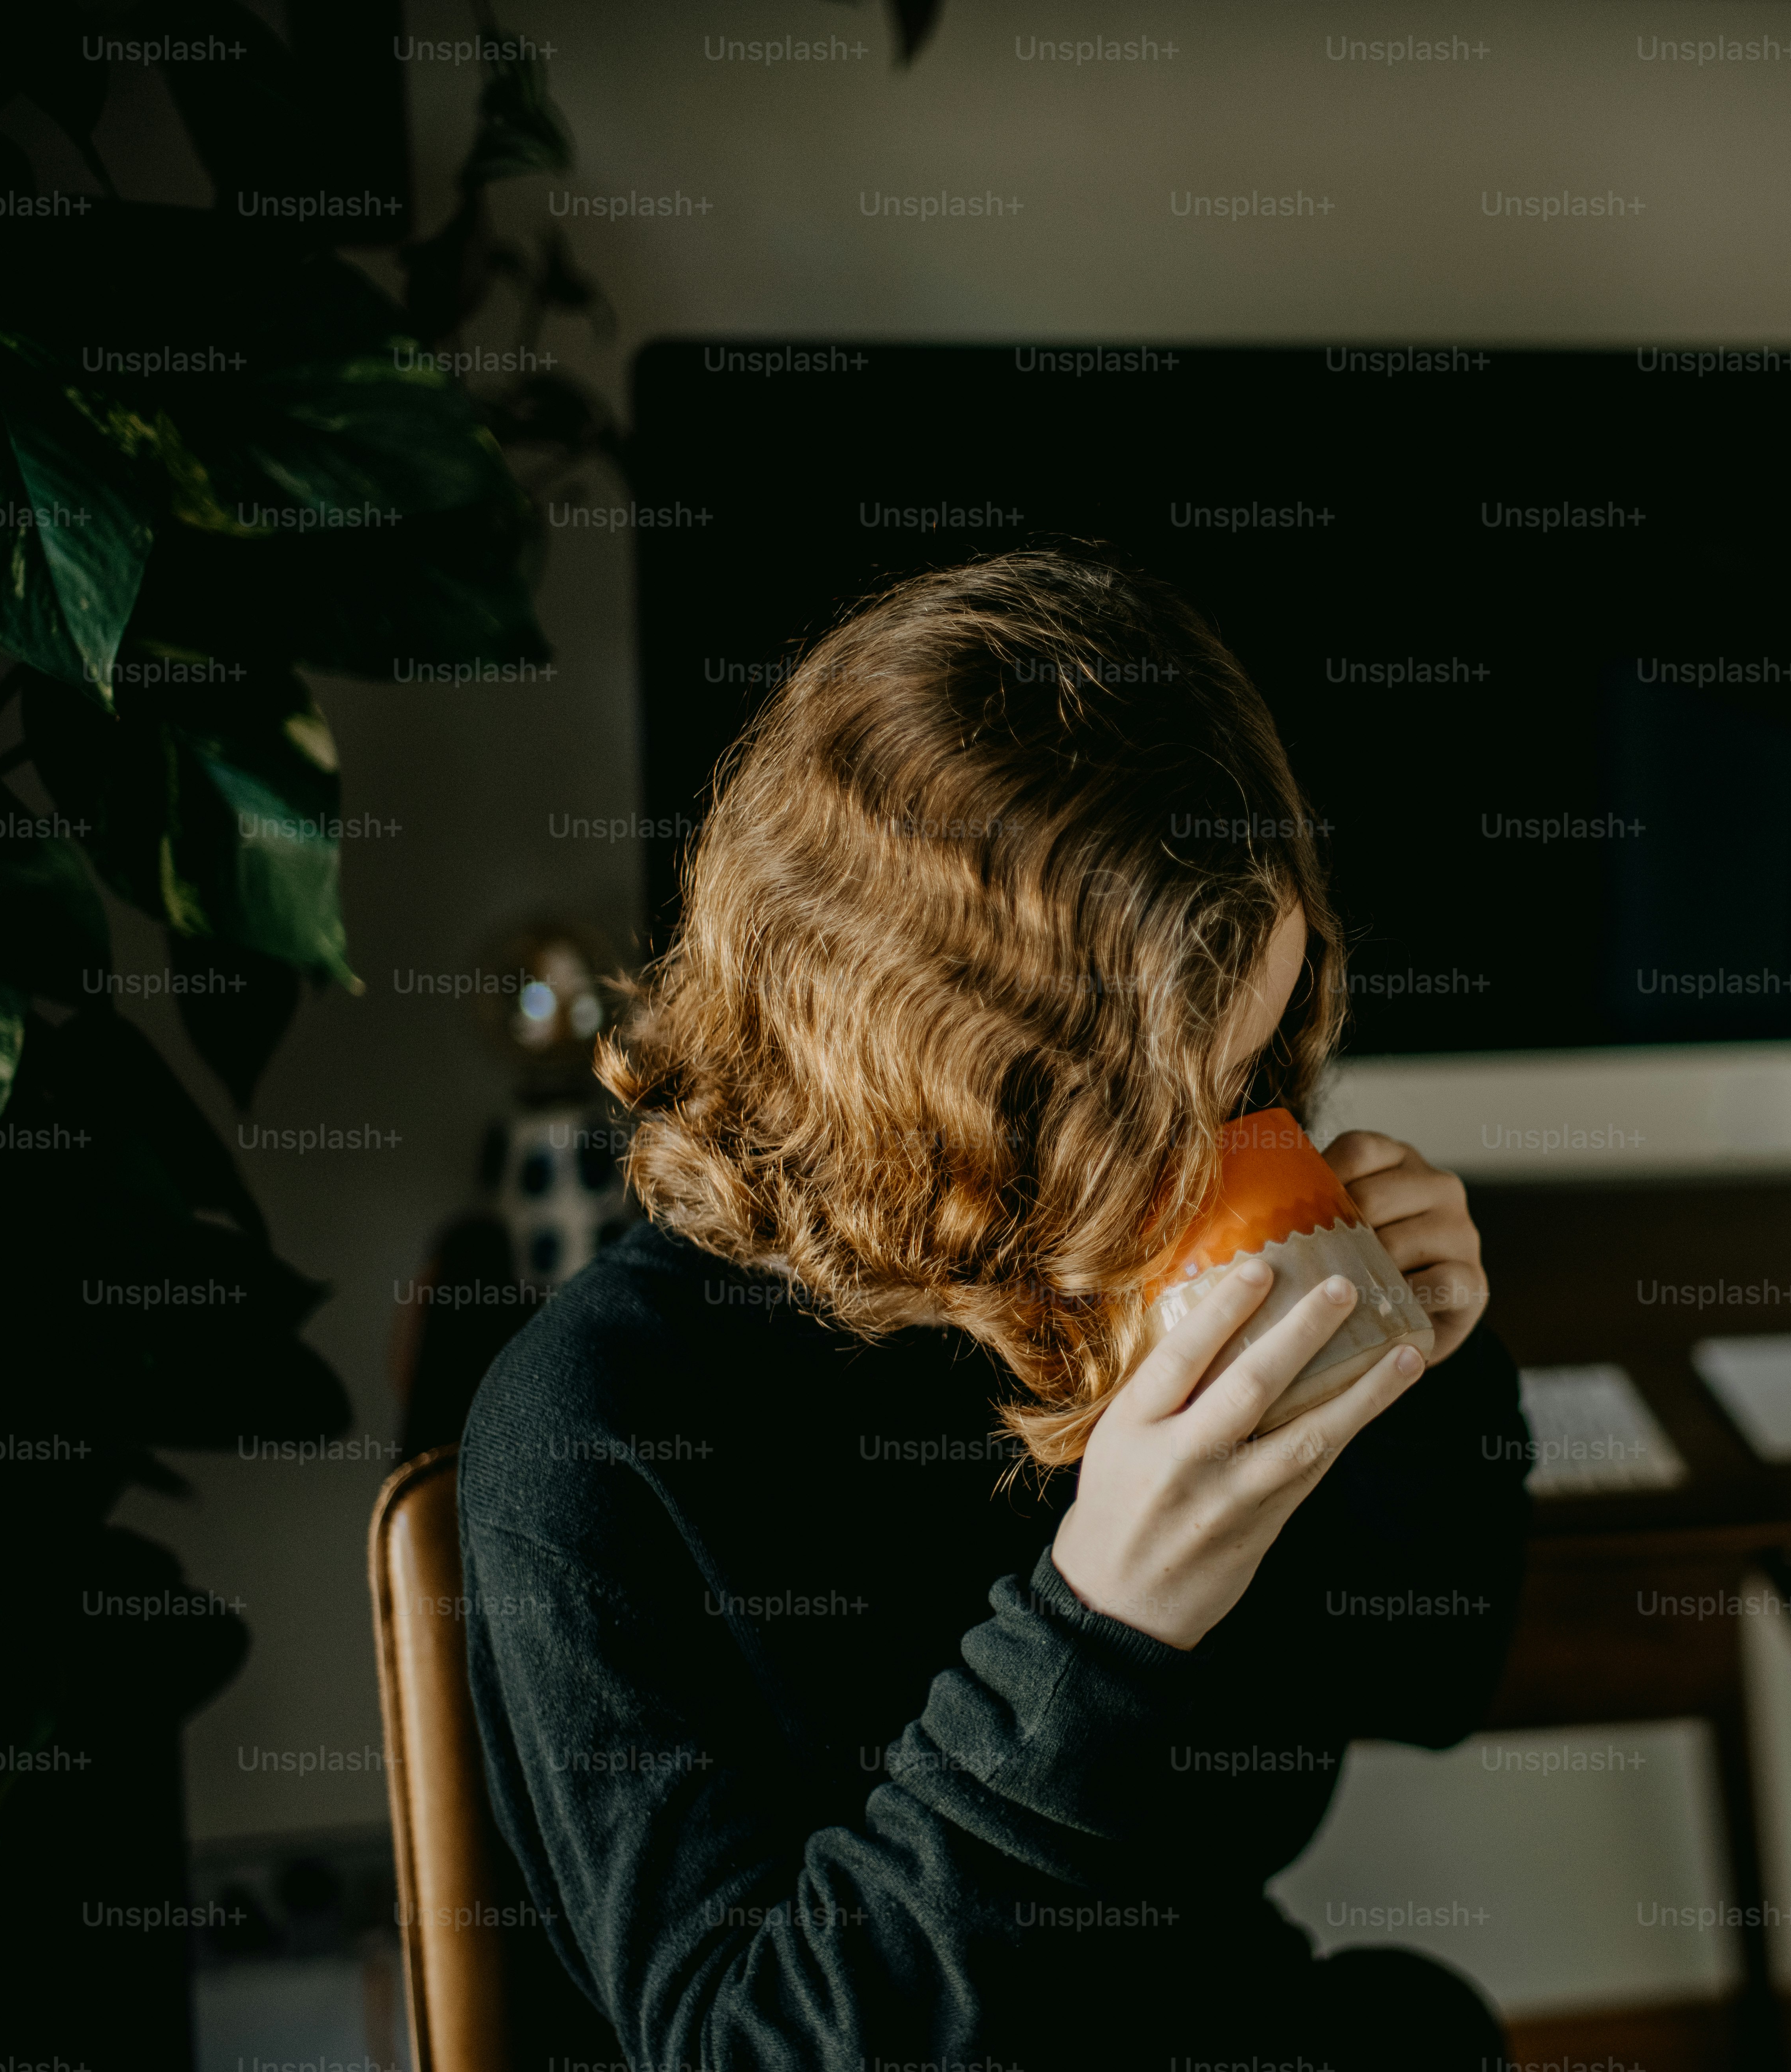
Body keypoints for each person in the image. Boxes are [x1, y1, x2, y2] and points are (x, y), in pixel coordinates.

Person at [458, 549, 1535, 2071]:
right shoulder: (595, 1441)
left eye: (1254, 1068)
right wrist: (1104, 1620)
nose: (1233, 1140)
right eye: (1159, 1113)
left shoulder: (1128, 1272)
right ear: (946, 1091)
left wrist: (1428, 1378)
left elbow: (1431, 1676)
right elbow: (747, 2047)